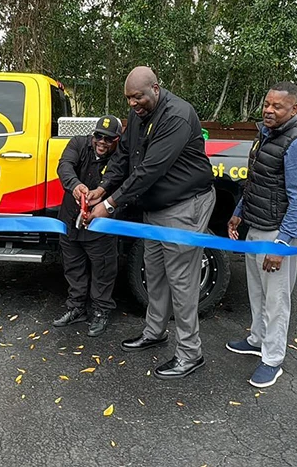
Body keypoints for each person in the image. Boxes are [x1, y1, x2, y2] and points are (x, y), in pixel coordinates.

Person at [87, 66, 215, 380]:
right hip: (156, 210)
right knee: (154, 272)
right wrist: (103, 187)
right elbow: (124, 157)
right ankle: (155, 330)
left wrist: (109, 204)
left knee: (181, 280)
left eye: (139, 96)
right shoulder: (138, 116)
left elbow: (150, 170)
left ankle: (190, 353)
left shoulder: (176, 116)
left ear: (156, 88)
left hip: (185, 206)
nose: (133, 103)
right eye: (129, 98)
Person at [225, 82, 297, 389]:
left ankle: (272, 359)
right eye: (267, 104)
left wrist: (282, 244)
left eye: (278, 106)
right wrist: (239, 211)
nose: (269, 110)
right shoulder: (265, 135)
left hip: (279, 234)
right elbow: (256, 182)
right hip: (257, 226)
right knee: (257, 291)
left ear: (294, 109)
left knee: (276, 300)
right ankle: (257, 340)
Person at [52, 115, 123, 337]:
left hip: (101, 223)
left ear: (117, 140)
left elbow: (117, 180)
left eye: (108, 139)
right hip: (70, 219)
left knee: (103, 269)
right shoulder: (77, 143)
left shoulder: (121, 157)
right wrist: (74, 185)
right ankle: (76, 308)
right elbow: (64, 165)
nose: (102, 142)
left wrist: (101, 199)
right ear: (92, 135)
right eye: (98, 136)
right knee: (73, 266)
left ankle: (101, 312)